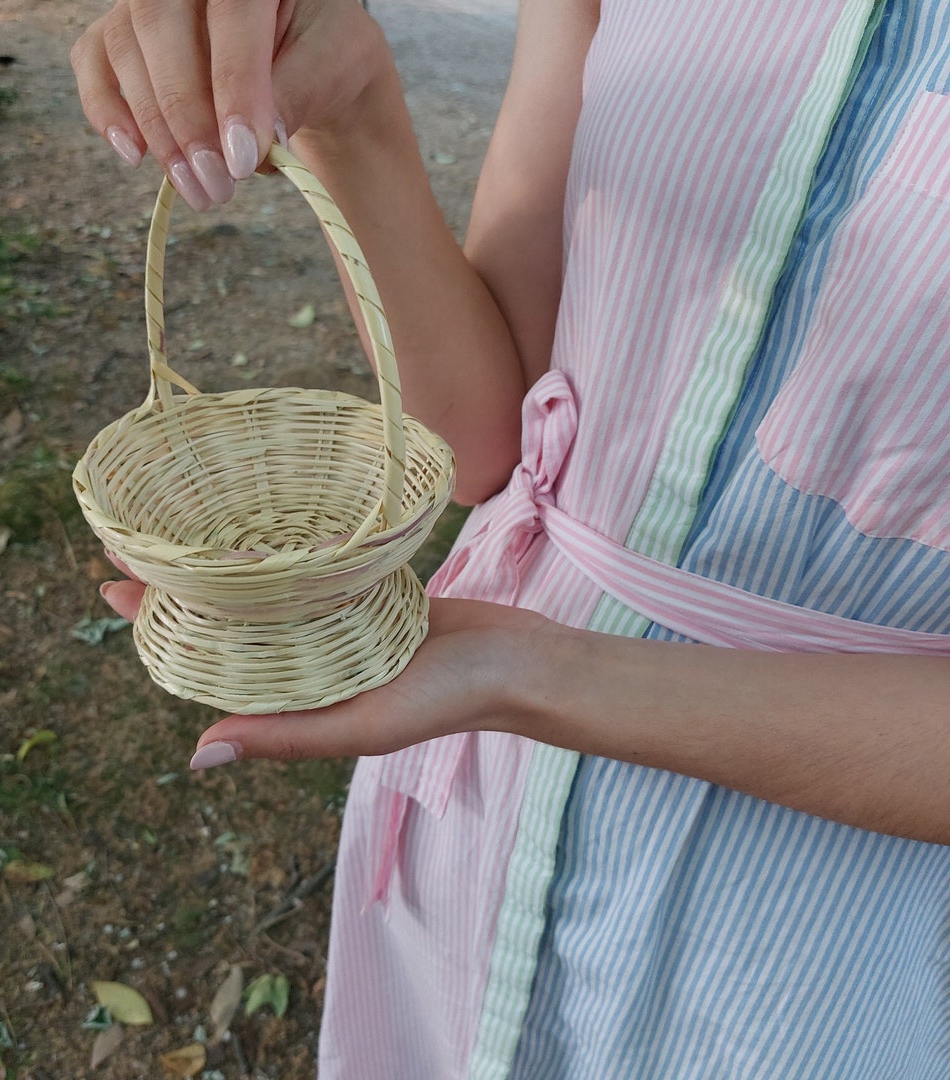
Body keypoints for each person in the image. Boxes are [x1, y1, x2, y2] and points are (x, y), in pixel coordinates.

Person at [72, 1, 950, 1076]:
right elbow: (485, 437)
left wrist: (539, 675)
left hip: (806, 947)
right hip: (474, 810)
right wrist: (351, 112)